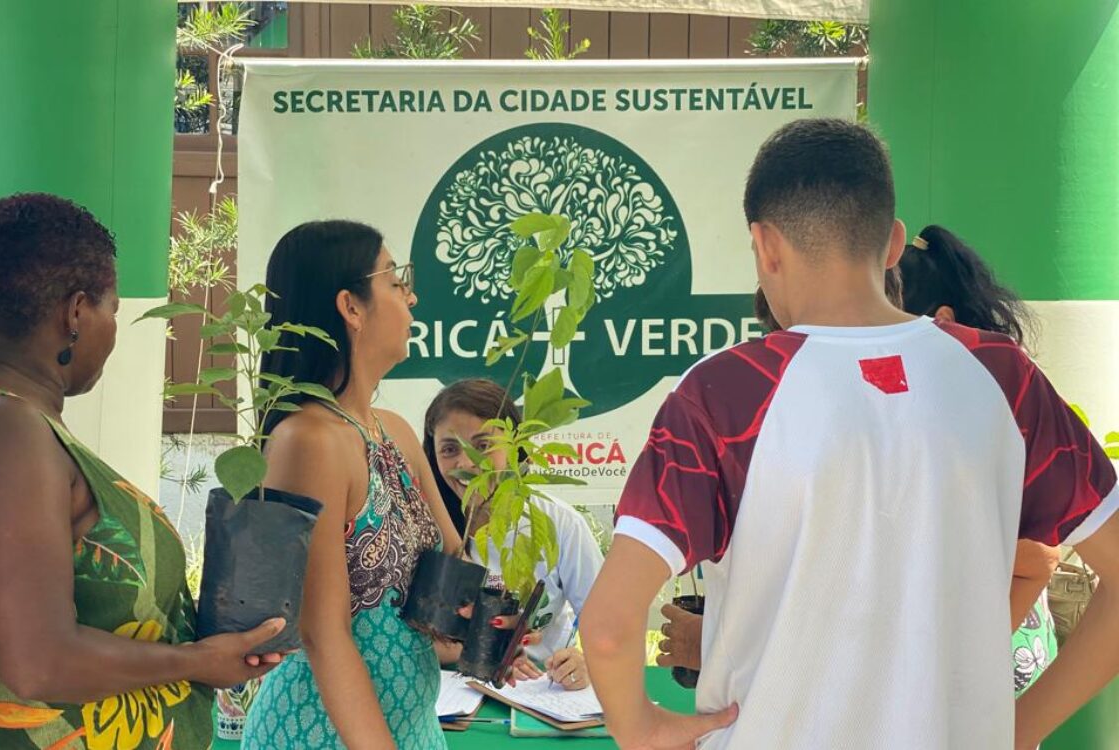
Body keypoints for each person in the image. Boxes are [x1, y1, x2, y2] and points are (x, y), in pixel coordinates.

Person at [580, 119, 1119, 750]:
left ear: (764, 246)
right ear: (892, 243)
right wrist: (1021, 729)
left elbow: (612, 628)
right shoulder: (1004, 377)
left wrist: (640, 728)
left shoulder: (723, 395)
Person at [0, 193, 282, 750]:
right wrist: (195, 662)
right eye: (113, 310)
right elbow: (36, 662)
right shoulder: (3, 431)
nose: (113, 330)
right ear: (76, 313)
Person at [666, 236, 1062, 698]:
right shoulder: (849, 415)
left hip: (965, 688)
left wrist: (716, 645)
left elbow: (1037, 558)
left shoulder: (961, 409)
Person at [241, 220, 461, 749]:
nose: (412, 296)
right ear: (351, 307)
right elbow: (324, 633)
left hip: (413, 728)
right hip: (323, 734)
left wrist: (489, 626)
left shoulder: (396, 430)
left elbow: (450, 559)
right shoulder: (308, 440)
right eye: (394, 280)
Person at [900, 225, 1061, 694]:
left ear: (944, 320)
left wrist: (964, 666)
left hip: (989, 667)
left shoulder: (985, 404)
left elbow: (1038, 556)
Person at [422, 378, 605, 690]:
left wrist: (587, 662)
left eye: (483, 445)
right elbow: (408, 635)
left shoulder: (559, 524)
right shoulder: (422, 526)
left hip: (539, 693)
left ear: (516, 446)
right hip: (447, 698)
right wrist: (481, 649)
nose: (466, 463)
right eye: (449, 449)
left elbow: (609, 620)